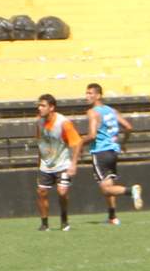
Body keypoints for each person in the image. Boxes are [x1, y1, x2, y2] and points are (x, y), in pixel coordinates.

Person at [81, 82, 141, 225]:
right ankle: (112, 217)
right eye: (86, 93)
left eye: (90, 93)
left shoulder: (92, 112)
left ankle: (131, 191)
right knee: (109, 185)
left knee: (106, 189)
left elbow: (92, 135)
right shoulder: (111, 111)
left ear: (98, 95)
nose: (87, 96)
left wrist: (80, 142)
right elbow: (128, 127)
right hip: (113, 152)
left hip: (100, 152)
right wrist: (124, 143)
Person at [33, 94, 83, 231]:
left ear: (51, 108)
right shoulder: (39, 122)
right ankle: (44, 224)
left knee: (62, 192)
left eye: (43, 105)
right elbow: (40, 142)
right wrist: (39, 163)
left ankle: (64, 220)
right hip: (46, 164)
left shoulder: (63, 123)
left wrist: (73, 164)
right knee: (41, 192)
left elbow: (78, 143)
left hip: (63, 164)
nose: (39, 108)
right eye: (39, 105)